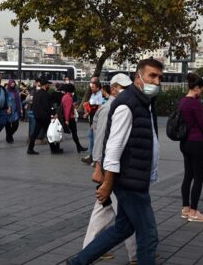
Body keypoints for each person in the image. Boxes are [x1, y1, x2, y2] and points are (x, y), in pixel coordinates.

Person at [69, 58, 164, 265]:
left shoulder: (143, 103)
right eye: (152, 76)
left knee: (123, 228)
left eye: (159, 77)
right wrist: (107, 182)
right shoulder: (127, 104)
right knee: (148, 235)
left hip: (137, 178)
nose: (156, 82)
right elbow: (113, 147)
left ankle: (77, 262)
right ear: (138, 77)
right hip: (130, 181)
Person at [81, 73, 137, 263]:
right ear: (113, 88)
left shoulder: (119, 106)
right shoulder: (111, 108)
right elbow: (101, 140)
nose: (126, 91)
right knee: (125, 211)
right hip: (109, 169)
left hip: (110, 167)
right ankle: (136, 254)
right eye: (122, 87)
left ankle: (90, 249)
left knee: (103, 211)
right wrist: (98, 166)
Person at [178, 73, 203, 222]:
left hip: (185, 143)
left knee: (188, 176)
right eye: (202, 89)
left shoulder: (182, 101)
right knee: (198, 177)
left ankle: (185, 208)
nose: (202, 92)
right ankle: (194, 212)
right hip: (196, 142)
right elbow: (202, 125)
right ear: (196, 88)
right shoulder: (195, 103)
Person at [27, 79, 58, 155]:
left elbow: (34, 104)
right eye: (48, 85)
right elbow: (47, 106)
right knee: (48, 132)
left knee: (35, 133)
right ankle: (53, 149)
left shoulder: (37, 93)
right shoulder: (45, 94)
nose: (49, 86)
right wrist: (54, 113)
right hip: (44, 116)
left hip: (37, 116)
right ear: (45, 85)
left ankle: (30, 148)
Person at [82, 80, 104, 165]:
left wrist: (94, 122)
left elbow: (98, 108)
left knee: (94, 138)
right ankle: (92, 156)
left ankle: (94, 157)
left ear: (98, 88)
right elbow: (91, 105)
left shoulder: (99, 95)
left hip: (95, 120)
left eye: (93, 87)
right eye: (91, 87)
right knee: (91, 137)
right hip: (91, 119)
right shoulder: (93, 94)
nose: (92, 88)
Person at [61, 83, 88, 152]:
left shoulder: (64, 96)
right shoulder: (69, 98)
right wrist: (67, 120)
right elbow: (68, 110)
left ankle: (79, 147)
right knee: (74, 133)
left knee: (74, 133)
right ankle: (79, 147)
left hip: (67, 117)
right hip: (70, 118)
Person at [4, 79, 23, 143]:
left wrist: (20, 109)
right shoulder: (6, 91)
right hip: (8, 110)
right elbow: (5, 100)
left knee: (16, 125)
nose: (12, 85)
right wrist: (7, 107)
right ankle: (9, 138)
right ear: (9, 84)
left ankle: (9, 135)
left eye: (13, 84)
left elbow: (19, 101)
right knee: (8, 125)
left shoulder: (16, 91)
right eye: (11, 84)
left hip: (15, 110)